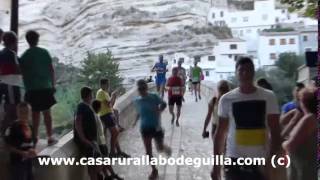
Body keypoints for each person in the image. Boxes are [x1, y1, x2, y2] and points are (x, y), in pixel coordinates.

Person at [212, 57, 281, 180]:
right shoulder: (226, 99)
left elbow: (275, 132)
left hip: (260, 161)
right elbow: (220, 134)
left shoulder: (268, 97)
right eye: (241, 70)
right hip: (234, 161)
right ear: (236, 73)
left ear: (254, 72)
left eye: (249, 70)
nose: (245, 73)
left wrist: (271, 162)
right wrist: (216, 165)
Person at [19, 30, 57, 146]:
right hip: (45, 87)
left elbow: (22, 73)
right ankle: (50, 137)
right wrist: (53, 85)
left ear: (27, 40)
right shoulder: (44, 52)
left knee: (35, 115)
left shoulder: (24, 56)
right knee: (47, 114)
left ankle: (35, 137)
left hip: (32, 89)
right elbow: (51, 70)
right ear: (37, 39)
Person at [133, 79, 171, 180]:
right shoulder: (136, 101)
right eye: (140, 89)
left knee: (159, 148)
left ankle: (166, 148)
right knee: (148, 152)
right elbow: (138, 112)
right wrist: (135, 121)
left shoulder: (154, 96)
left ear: (146, 88)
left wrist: (159, 109)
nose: (142, 90)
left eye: (143, 88)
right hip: (144, 128)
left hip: (156, 126)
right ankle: (154, 170)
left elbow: (164, 103)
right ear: (138, 90)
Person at [282, 87, 317, 180]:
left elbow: (290, 145)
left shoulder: (308, 119)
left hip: (301, 168)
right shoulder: (314, 118)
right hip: (310, 166)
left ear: (303, 102)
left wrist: (283, 143)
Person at [96, 79, 129, 158]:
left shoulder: (104, 92)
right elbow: (108, 105)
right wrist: (113, 96)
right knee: (115, 133)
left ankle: (119, 152)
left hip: (109, 114)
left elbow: (111, 105)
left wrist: (114, 97)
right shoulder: (101, 93)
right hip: (105, 115)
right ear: (102, 85)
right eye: (107, 84)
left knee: (115, 134)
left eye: (108, 84)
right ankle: (112, 152)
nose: (108, 86)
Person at [91, 100, 123, 180]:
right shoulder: (95, 117)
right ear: (98, 108)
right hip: (100, 143)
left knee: (105, 160)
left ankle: (108, 175)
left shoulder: (95, 116)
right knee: (105, 160)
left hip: (100, 142)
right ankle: (112, 175)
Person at [4, 102, 37, 180]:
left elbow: (33, 142)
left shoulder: (30, 126)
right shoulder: (12, 128)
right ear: (17, 113)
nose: (24, 115)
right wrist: (22, 153)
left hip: (29, 161)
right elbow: (7, 146)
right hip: (17, 162)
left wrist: (33, 150)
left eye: (26, 112)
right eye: (21, 112)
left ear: (30, 113)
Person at [74, 87, 100, 180]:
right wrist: (83, 139)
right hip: (87, 141)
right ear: (88, 95)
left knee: (97, 163)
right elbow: (78, 122)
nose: (92, 97)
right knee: (92, 165)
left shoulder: (86, 106)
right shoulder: (81, 106)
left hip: (91, 140)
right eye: (91, 95)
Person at [0, 31, 21, 135]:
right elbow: (17, 69)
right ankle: (4, 132)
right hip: (11, 84)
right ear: (14, 42)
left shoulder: (2, 53)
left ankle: (7, 131)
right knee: (12, 108)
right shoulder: (11, 54)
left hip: (6, 83)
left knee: (9, 108)